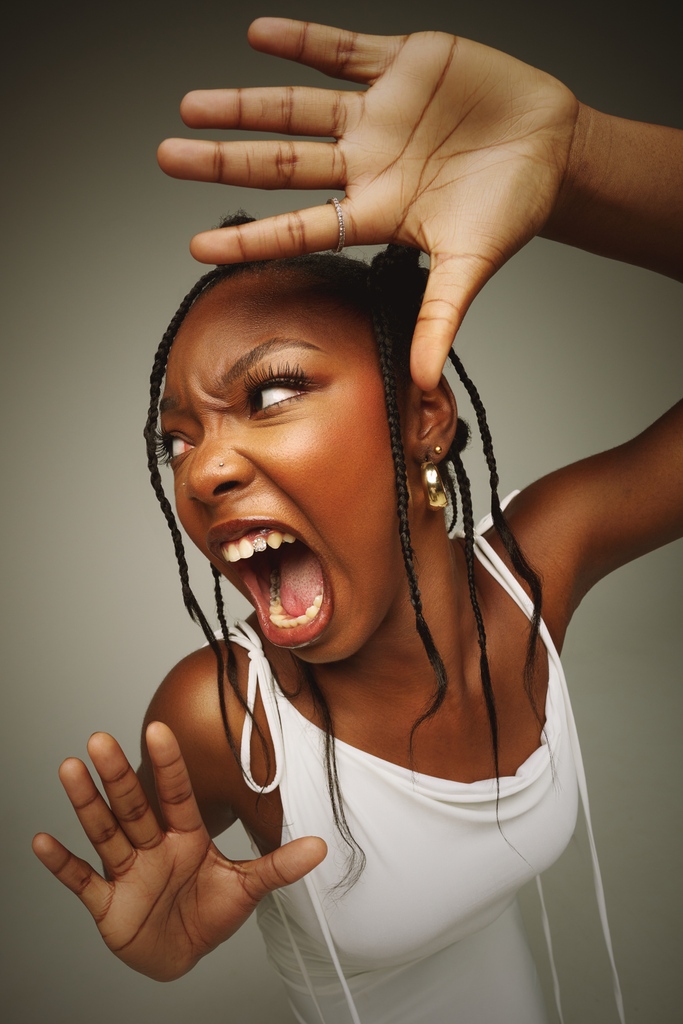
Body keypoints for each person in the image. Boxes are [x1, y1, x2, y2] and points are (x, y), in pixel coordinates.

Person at [32, 17, 682, 1024]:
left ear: (423, 419)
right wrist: (157, 954)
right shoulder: (222, 718)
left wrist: (577, 159)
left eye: (271, 394)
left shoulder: (535, 566)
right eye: (176, 439)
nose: (201, 467)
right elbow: (171, 889)